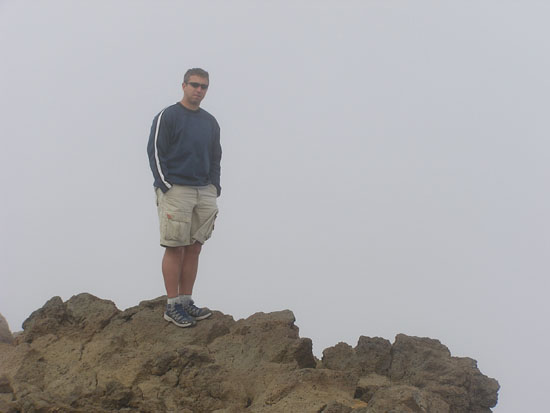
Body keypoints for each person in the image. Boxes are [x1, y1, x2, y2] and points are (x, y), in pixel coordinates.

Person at [147, 68, 221, 328]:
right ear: (183, 86)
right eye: (194, 85)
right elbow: (155, 151)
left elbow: (215, 156)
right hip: (176, 189)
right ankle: (172, 305)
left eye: (203, 86)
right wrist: (165, 185)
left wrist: (214, 186)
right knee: (175, 246)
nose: (198, 90)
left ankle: (186, 300)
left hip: (204, 191)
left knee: (194, 247)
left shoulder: (210, 122)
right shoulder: (168, 116)